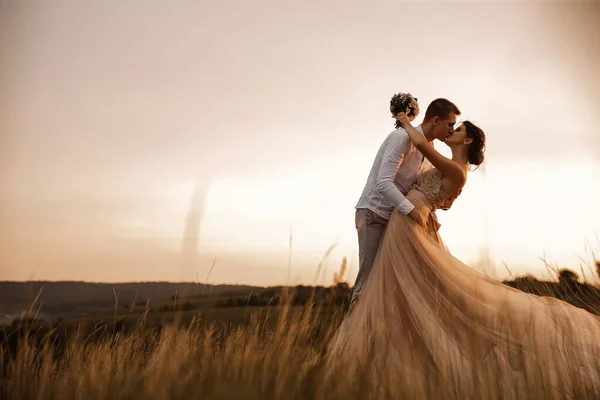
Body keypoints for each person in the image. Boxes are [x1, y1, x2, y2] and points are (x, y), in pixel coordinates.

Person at [327, 110, 600, 398]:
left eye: (457, 129)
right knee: (397, 293)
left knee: (402, 292)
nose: (451, 131)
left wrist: (405, 121)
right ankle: (377, 365)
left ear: (466, 139)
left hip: (409, 224)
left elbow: (420, 146)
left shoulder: (457, 170)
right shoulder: (450, 164)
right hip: (407, 222)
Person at [351, 94, 460, 307]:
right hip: (374, 214)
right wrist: (412, 212)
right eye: (450, 124)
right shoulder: (401, 138)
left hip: (396, 219)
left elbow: (421, 187)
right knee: (368, 281)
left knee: (389, 285)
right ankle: (351, 337)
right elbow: (383, 183)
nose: (452, 131)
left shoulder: (428, 150)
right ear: (435, 121)